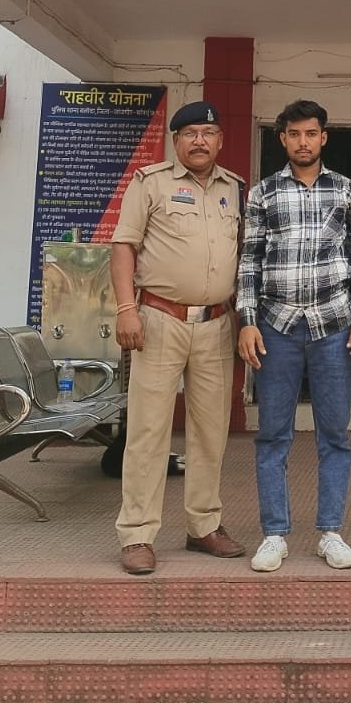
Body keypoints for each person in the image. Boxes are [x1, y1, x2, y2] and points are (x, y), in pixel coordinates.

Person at [237, 99, 351, 572]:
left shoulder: (348, 191)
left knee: (334, 434)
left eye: (311, 133)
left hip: (334, 326)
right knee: (272, 435)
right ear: (282, 139)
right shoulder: (263, 193)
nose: (303, 142)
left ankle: (330, 532)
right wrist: (247, 320)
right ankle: (274, 534)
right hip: (275, 327)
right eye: (294, 134)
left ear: (323, 137)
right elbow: (249, 261)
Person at [110, 100, 246, 575]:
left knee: (210, 432)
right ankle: (137, 533)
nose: (199, 141)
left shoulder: (235, 189)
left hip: (217, 325)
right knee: (148, 431)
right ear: (176, 141)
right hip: (158, 320)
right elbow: (123, 247)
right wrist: (126, 310)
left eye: (208, 133)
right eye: (190, 134)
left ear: (220, 140)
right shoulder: (150, 182)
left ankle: (203, 526)